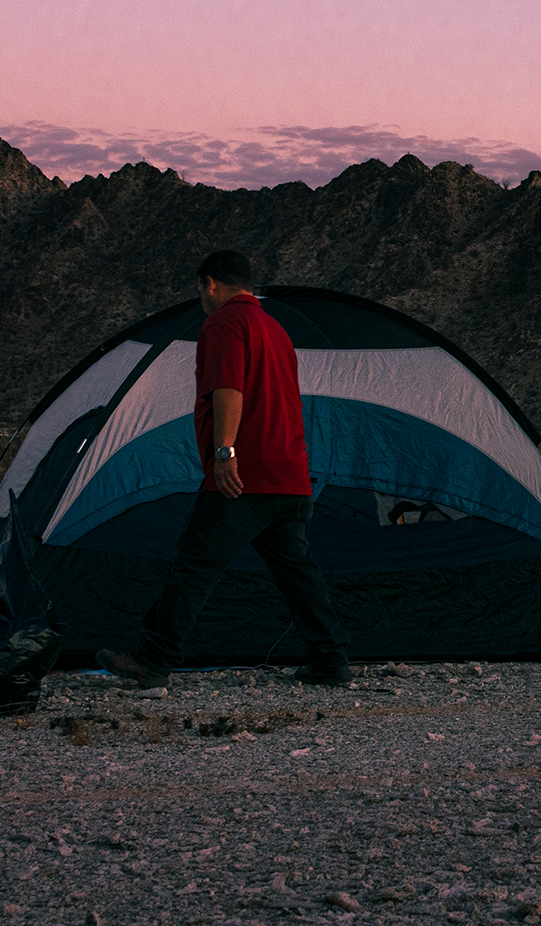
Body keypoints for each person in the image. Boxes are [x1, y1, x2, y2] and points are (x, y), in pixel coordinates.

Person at [97, 250, 351, 689]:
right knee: (298, 575)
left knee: (193, 567)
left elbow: (228, 388)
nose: (201, 297)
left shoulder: (224, 324)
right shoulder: (276, 330)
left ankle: (153, 660)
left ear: (211, 284)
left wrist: (225, 453)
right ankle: (330, 660)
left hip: (243, 479)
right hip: (290, 478)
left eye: (200, 289)